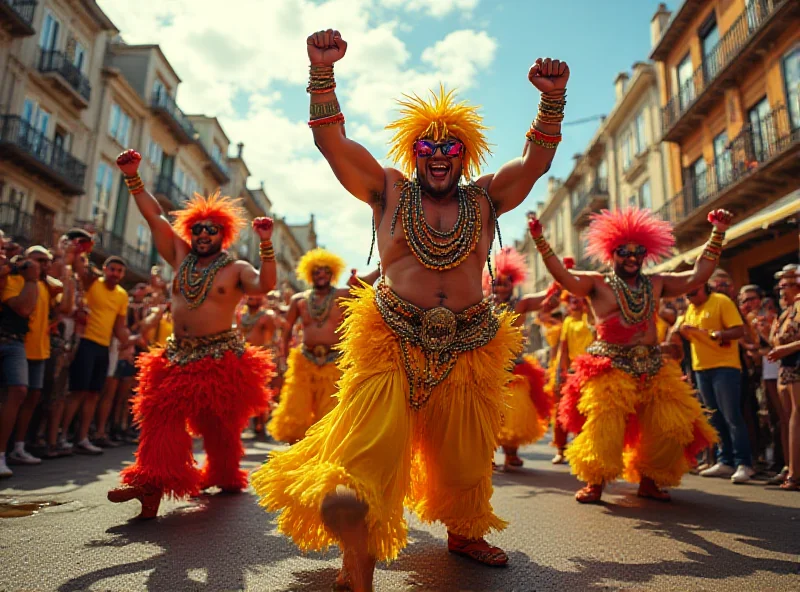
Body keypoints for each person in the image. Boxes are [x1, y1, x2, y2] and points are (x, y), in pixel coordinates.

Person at [251, 29, 569, 590]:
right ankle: (358, 562)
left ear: (463, 156)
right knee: (372, 448)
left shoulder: (486, 198)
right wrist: (321, 72)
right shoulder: (388, 192)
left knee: (466, 460)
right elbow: (333, 144)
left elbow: (535, 163)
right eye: (429, 149)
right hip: (391, 339)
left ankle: (465, 530)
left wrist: (550, 99)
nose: (440, 157)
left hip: (470, 346)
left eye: (451, 150)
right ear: (415, 154)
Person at [107, 150, 277, 519]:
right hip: (176, 355)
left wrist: (265, 243)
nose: (202, 234)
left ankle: (224, 472)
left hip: (221, 357)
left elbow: (266, 283)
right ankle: (152, 482)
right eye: (197, 229)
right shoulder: (179, 257)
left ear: (223, 234)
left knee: (218, 425)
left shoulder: (237, 268)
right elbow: (154, 215)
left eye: (210, 229)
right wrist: (133, 177)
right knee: (159, 413)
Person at [531, 207, 729, 504]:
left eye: (639, 251)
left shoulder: (657, 283)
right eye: (624, 251)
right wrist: (540, 240)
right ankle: (595, 482)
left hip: (652, 363)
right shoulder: (596, 284)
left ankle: (649, 481)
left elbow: (698, 274)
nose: (632, 257)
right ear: (612, 252)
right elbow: (563, 275)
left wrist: (718, 232)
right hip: (610, 365)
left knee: (668, 427)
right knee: (604, 427)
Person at [268, 250, 377, 444]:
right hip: (304, 362)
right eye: (316, 271)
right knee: (297, 413)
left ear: (332, 274)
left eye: (325, 271)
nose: (321, 275)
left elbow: (366, 283)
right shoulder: (298, 300)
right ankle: (298, 456)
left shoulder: (342, 295)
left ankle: (326, 451)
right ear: (310, 274)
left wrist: (381, 265)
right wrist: (283, 359)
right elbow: (286, 332)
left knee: (331, 415)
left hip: (334, 361)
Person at [483, 247, 558, 470]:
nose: (500, 288)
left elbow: (547, 299)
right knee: (487, 413)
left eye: (504, 284)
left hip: (515, 366)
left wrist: (556, 290)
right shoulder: (480, 304)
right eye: (496, 283)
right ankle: (487, 455)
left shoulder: (521, 304)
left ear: (512, 285)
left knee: (513, 412)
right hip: (487, 366)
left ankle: (511, 454)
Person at [681, 283, 754, 483]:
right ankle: (725, 461)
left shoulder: (721, 301)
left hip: (725, 367)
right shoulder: (691, 308)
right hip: (700, 368)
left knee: (732, 416)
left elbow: (738, 330)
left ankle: (744, 463)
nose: (689, 297)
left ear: (704, 287)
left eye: (693, 292)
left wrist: (717, 334)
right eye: (687, 294)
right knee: (714, 418)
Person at [58, 255, 131, 456]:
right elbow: (78, 269)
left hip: (104, 347)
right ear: (105, 269)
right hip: (85, 343)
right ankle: (62, 436)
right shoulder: (92, 283)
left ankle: (82, 438)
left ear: (123, 275)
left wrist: (128, 342)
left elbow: (119, 326)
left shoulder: (122, 295)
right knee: (78, 391)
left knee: (94, 394)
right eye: (112, 269)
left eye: (119, 271)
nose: (115, 273)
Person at [0, 254, 41, 477]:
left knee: (18, 390)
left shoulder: (30, 281)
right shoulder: (13, 278)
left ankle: (3, 454)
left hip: (16, 341)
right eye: (35, 260)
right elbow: (22, 308)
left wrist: (33, 279)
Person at [767, 265, 800, 490]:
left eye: (786, 284)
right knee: (787, 419)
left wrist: (784, 350)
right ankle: (790, 468)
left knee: (796, 420)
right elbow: (774, 341)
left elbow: (782, 345)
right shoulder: (787, 311)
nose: (781, 289)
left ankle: (795, 475)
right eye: (780, 285)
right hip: (786, 369)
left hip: (796, 365)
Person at [553, 290, 594, 464]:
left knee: (586, 412)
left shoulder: (590, 319)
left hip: (591, 372)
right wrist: (559, 373)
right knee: (563, 410)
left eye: (579, 299)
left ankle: (581, 448)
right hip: (572, 371)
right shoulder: (568, 321)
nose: (575, 302)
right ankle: (560, 449)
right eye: (572, 300)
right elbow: (563, 349)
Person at [238, 293, 281, 439]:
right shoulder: (241, 316)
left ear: (261, 298)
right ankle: (241, 425)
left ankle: (260, 425)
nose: (253, 298)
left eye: (255, 296)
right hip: (243, 358)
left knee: (261, 392)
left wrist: (271, 358)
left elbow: (272, 338)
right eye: (250, 296)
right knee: (241, 393)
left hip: (261, 359)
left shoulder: (267, 316)